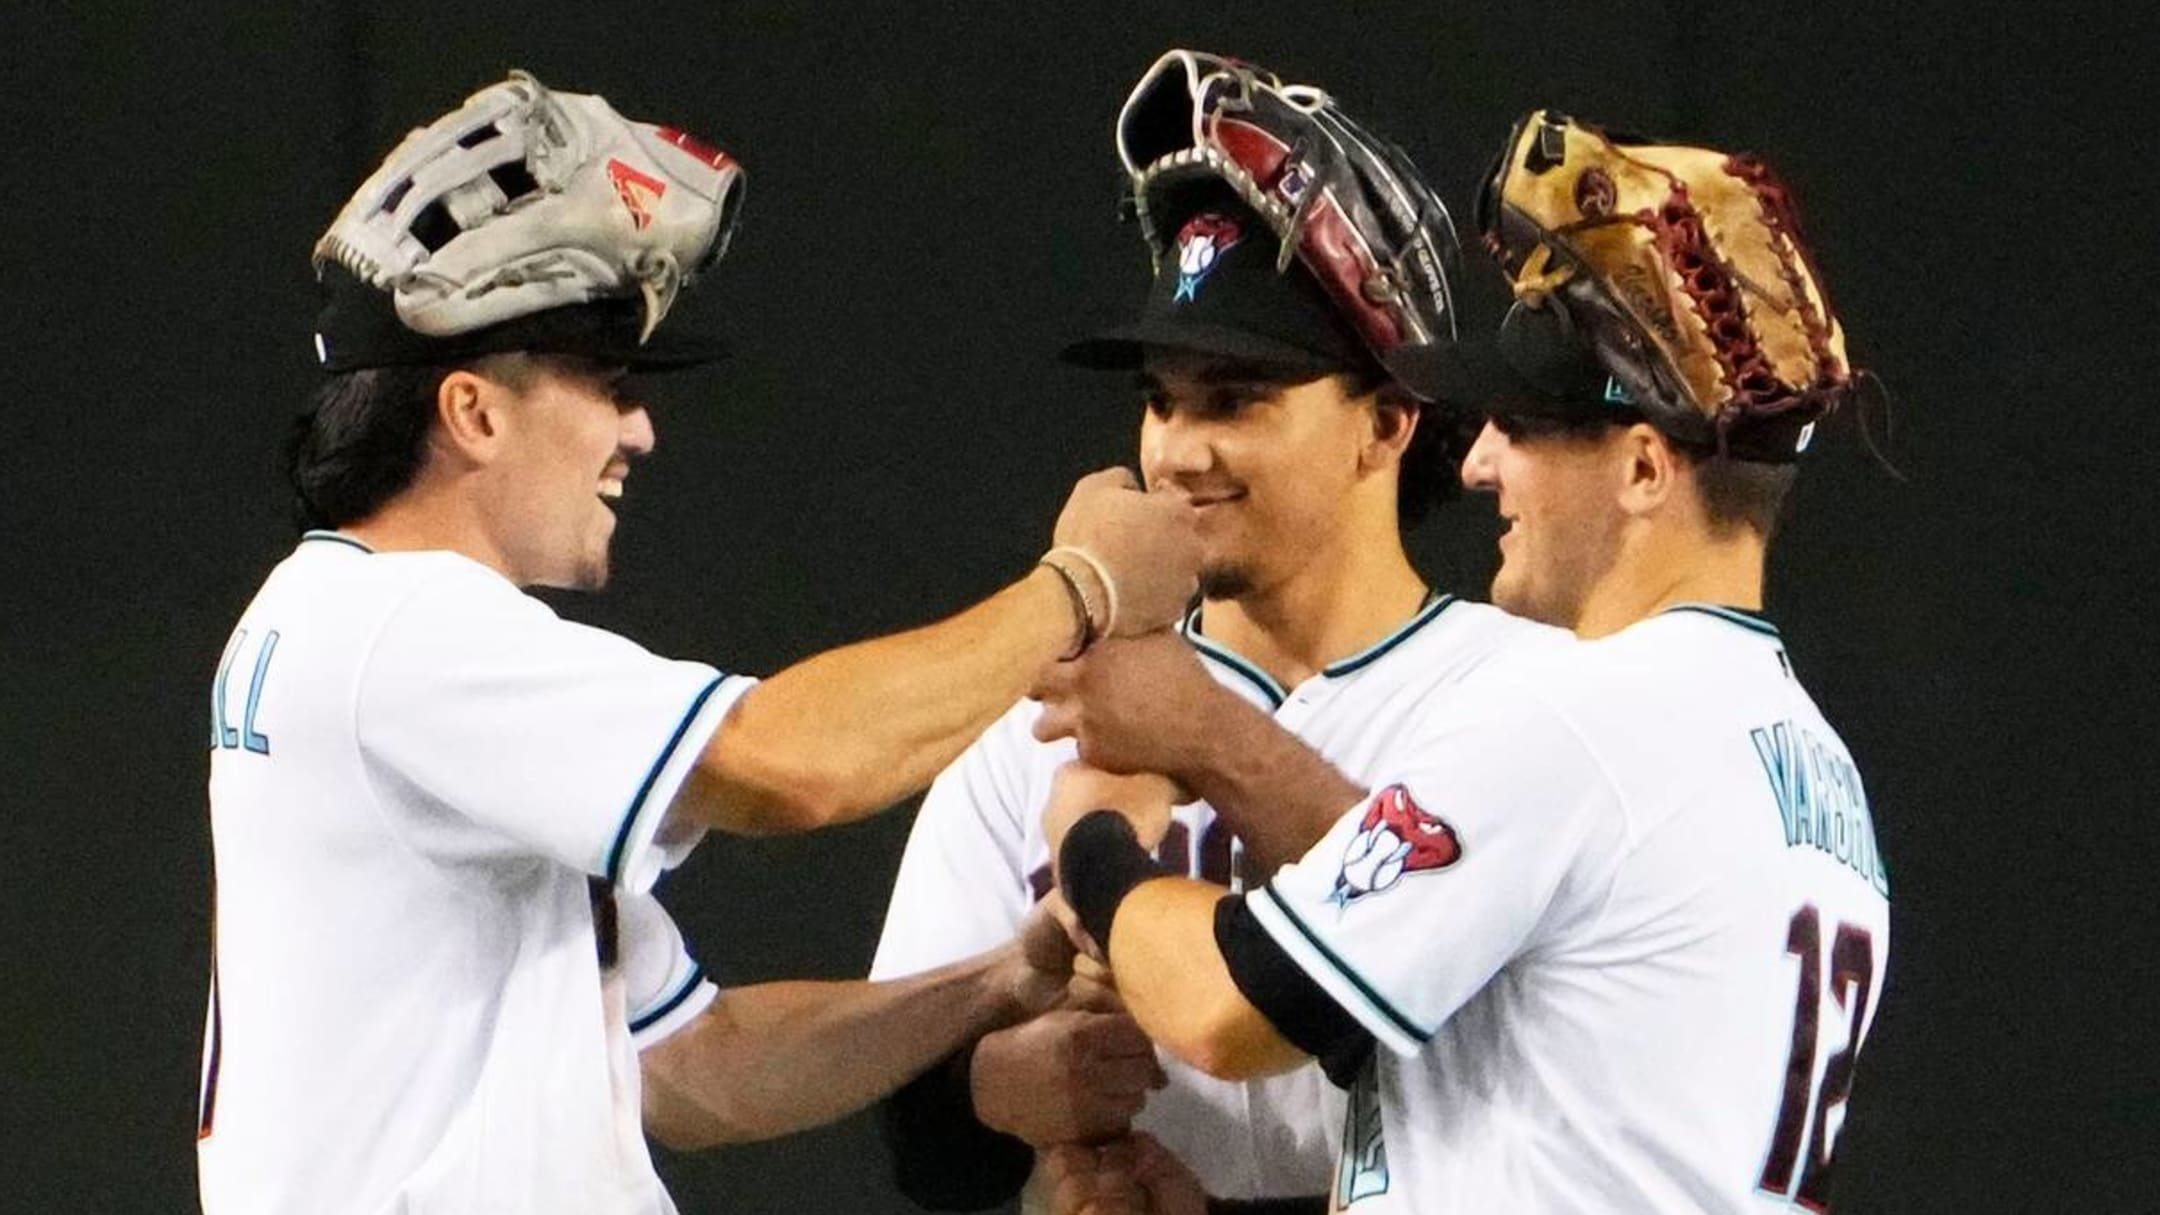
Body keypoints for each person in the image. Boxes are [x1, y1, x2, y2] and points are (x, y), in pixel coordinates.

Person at [196, 71, 1198, 1215]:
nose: (638, 428)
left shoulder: (348, 628)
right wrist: (1080, 585)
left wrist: (992, 981)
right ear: (472, 412)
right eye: (603, 382)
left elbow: (699, 1069)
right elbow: (790, 765)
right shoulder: (400, 630)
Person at [1038, 110, 1891, 1212]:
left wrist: (1093, 842)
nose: (1481, 460)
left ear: (1642, 469)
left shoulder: (1583, 717)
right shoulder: (1815, 770)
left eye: (1527, 428)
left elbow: (1221, 1008)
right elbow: (1524, 1071)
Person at [869, 51, 1561, 1213]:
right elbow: (920, 1142)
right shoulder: (1046, 719)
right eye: (1162, 399)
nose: (1179, 449)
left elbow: (1534, 1063)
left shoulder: (1530, 705)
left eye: (1237, 400)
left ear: (1389, 422)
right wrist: (1003, 1085)